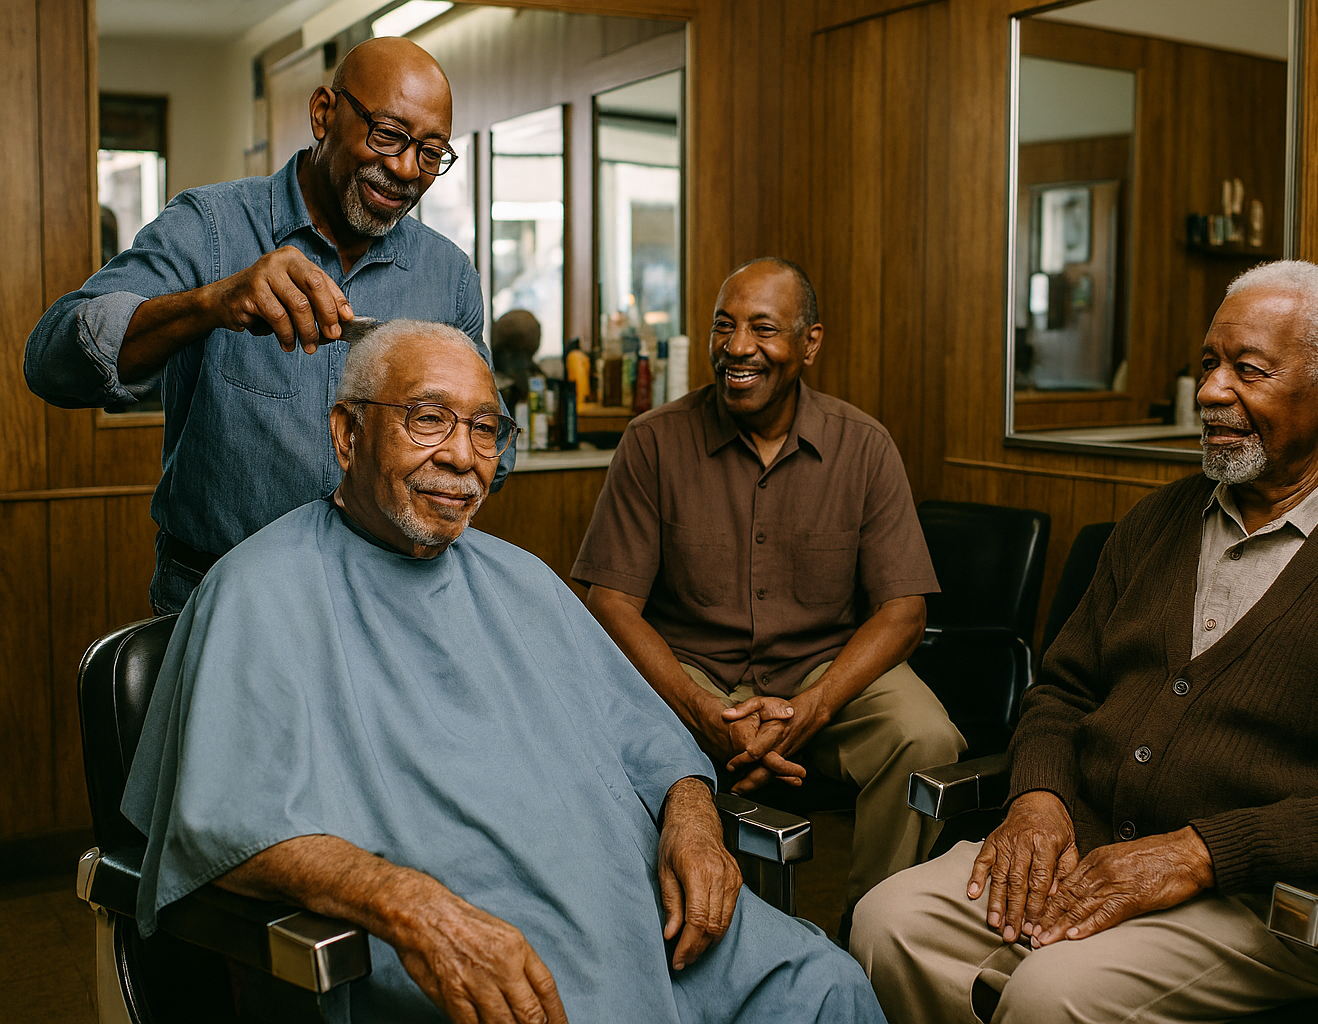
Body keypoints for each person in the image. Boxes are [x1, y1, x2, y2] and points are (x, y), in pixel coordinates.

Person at [123, 319, 884, 1024]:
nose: (463, 456)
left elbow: (649, 739)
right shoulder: (260, 590)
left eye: (485, 429)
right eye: (428, 418)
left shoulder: (518, 577)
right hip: (487, 950)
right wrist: (410, 906)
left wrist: (692, 817)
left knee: (829, 987)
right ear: (348, 434)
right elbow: (229, 824)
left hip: (654, 919)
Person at [851, 261, 1318, 1024]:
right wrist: (1038, 797)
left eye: (1248, 371)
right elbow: (1062, 690)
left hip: (1267, 901)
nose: (1212, 391)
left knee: (1054, 993)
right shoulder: (1154, 523)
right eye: (1209, 363)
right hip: (1088, 847)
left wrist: (1199, 852)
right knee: (887, 923)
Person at [25, 37, 511, 614]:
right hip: (218, 600)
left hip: (387, 603)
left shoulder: (447, 277)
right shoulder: (210, 228)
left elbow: (491, 451)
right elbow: (52, 362)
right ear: (323, 113)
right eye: (387, 134)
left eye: (431, 153)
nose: (407, 169)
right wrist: (212, 303)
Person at [572, 257, 966, 939]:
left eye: (763, 328)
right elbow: (610, 602)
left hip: (820, 669)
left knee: (924, 737)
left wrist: (814, 708)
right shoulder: (653, 442)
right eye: (723, 326)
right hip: (694, 668)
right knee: (616, 738)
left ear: (810, 343)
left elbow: (904, 611)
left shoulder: (864, 446)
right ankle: (689, 938)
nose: (737, 347)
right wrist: (700, 711)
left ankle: (870, 938)